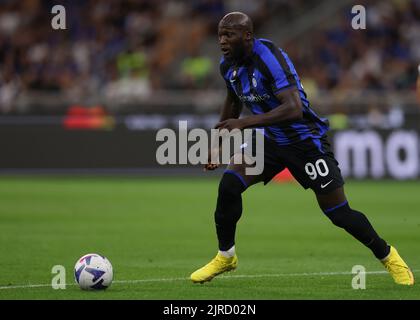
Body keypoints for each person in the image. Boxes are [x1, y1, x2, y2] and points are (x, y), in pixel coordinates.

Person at [190, 12, 414, 285]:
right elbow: (233, 100)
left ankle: (388, 255)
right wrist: (218, 143)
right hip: (269, 140)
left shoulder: (269, 57)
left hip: (305, 141)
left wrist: (245, 124)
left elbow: (294, 109)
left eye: (229, 35)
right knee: (228, 186)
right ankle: (226, 256)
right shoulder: (228, 65)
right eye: (220, 35)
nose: (222, 41)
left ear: (247, 35)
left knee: (339, 213)